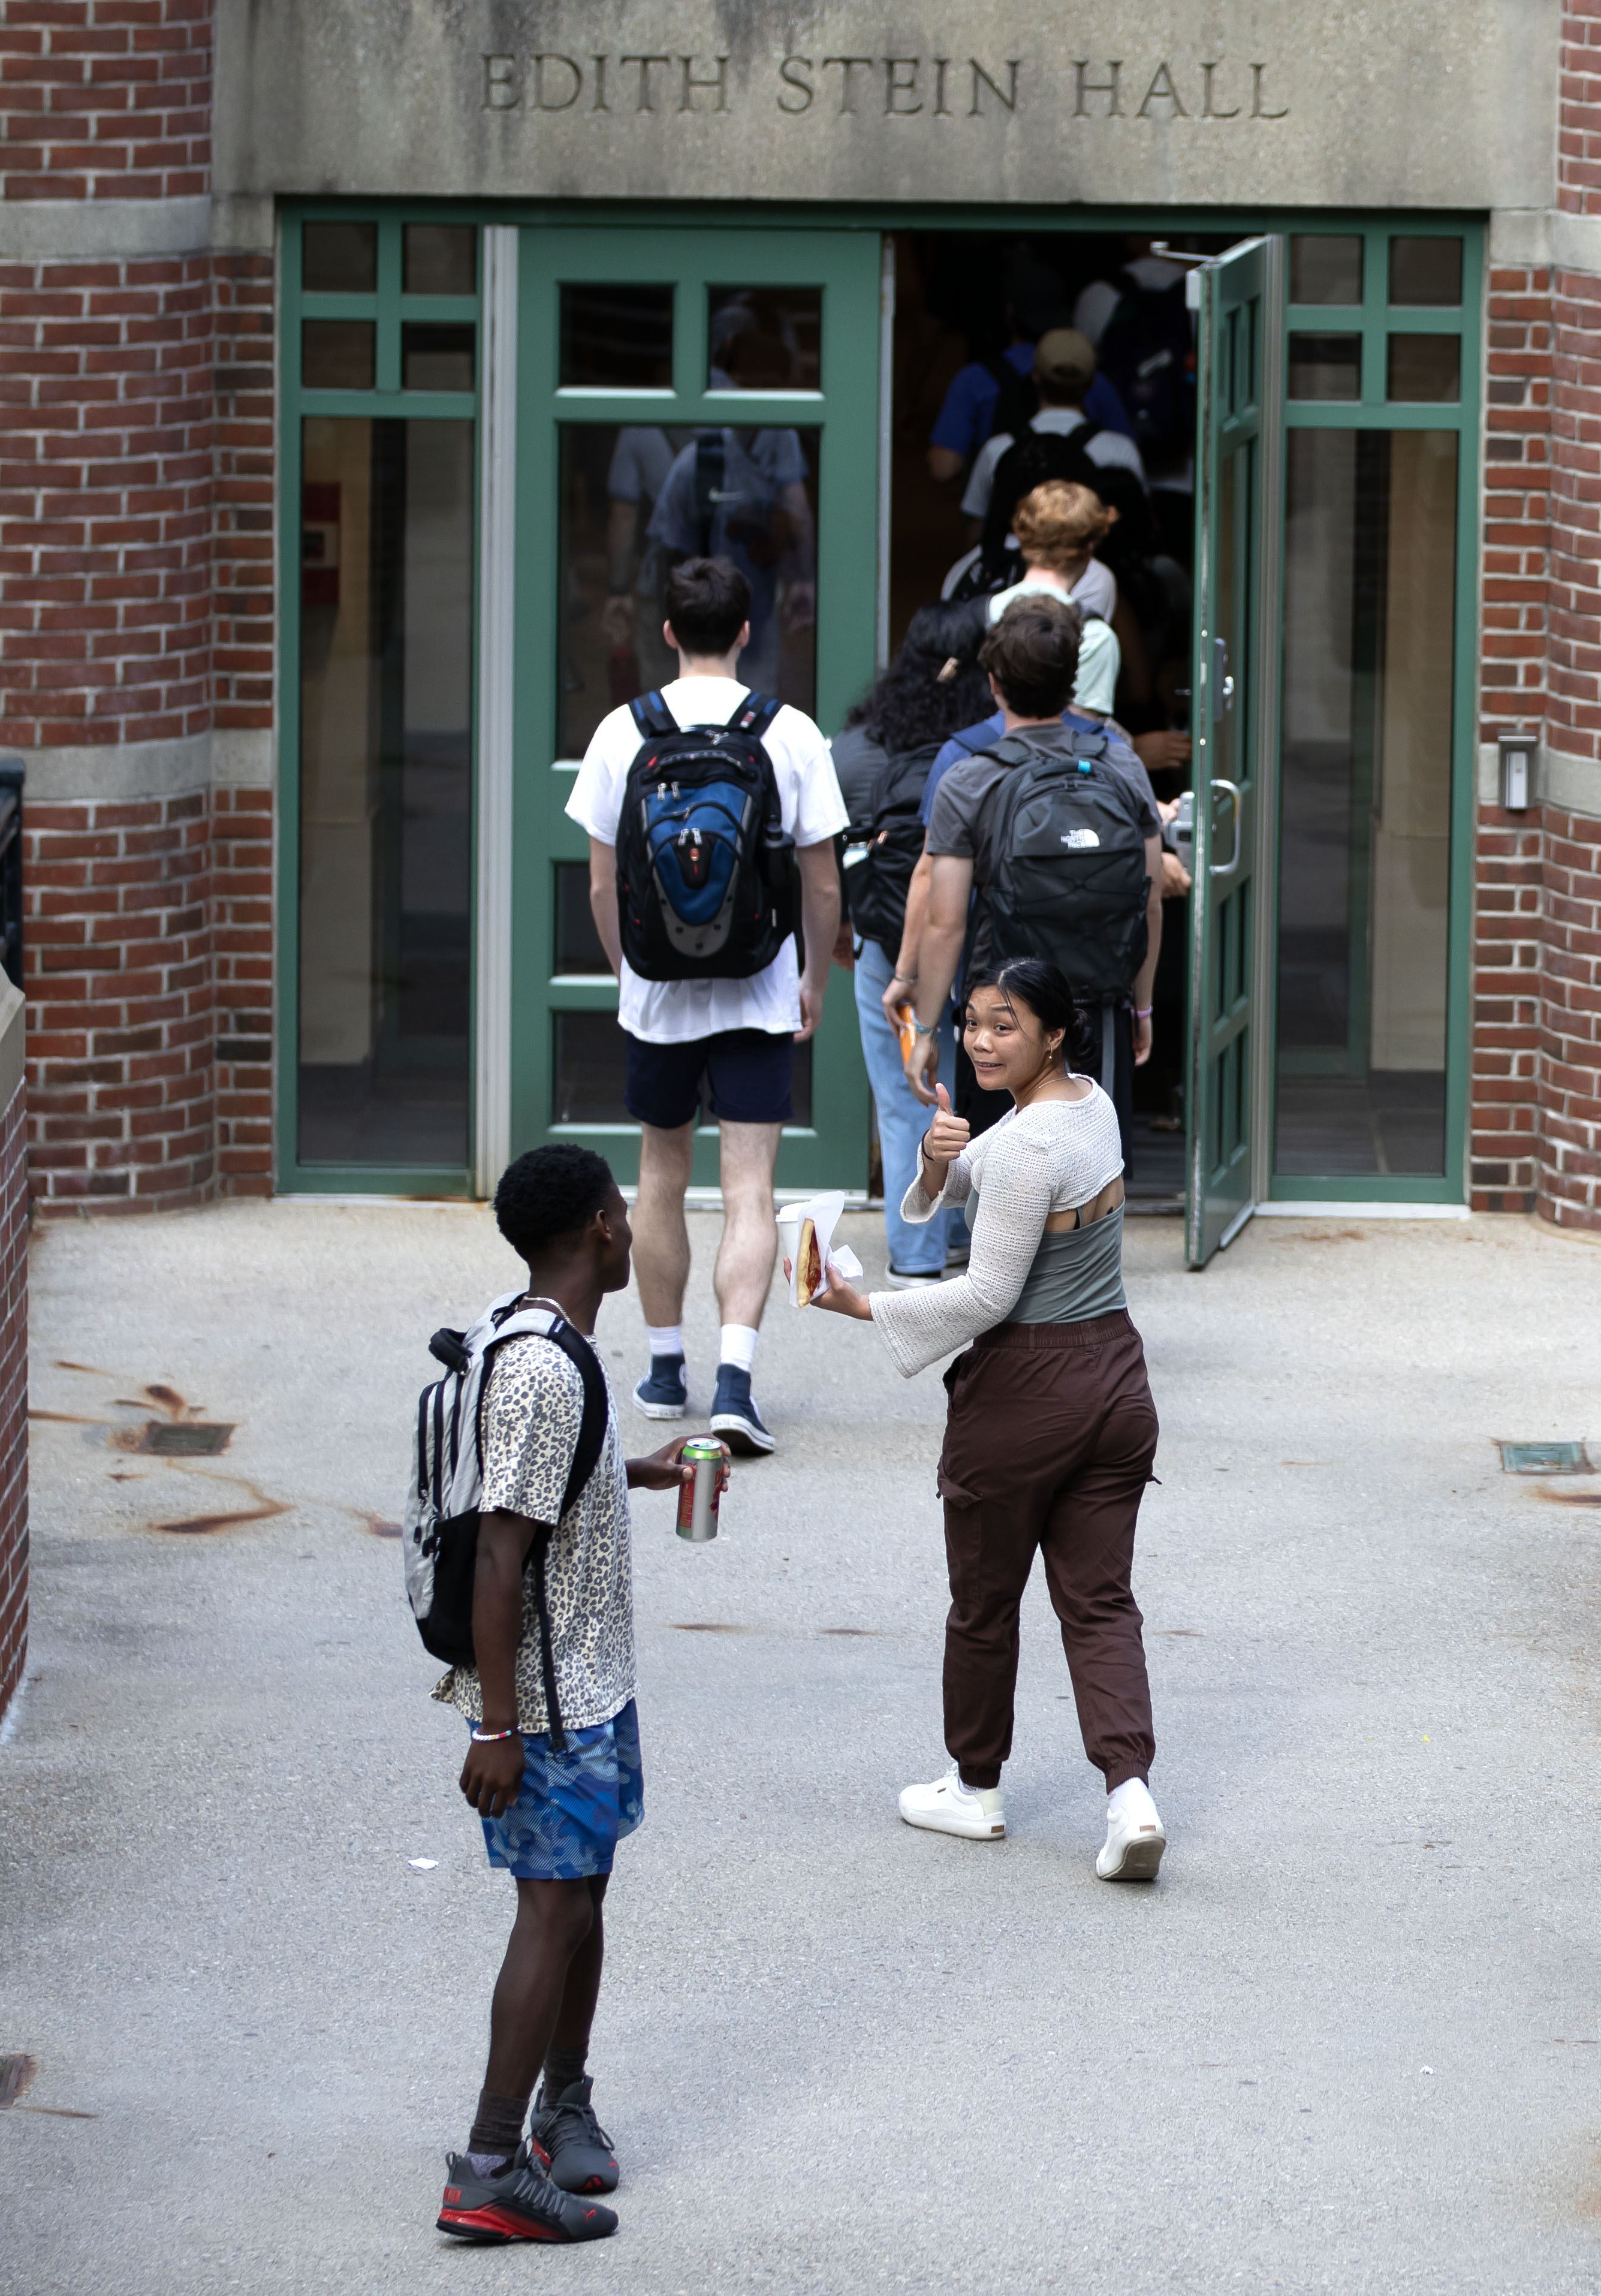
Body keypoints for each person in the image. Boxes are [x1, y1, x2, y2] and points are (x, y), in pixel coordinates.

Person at [807, 957, 1166, 1884]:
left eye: (1005, 1024)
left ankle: (975, 1787)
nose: (979, 1039)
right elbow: (981, 1185)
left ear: (1053, 1032)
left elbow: (987, 1292)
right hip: (1117, 1381)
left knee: (983, 1602)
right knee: (1098, 1601)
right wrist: (935, 1165)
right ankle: (1130, 1794)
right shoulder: (1090, 1106)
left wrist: (864, 1307)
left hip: (1026, 1392)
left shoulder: (1020, 1149)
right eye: (971, 1022)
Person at [437, 1144, 721, 2246]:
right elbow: (501, 1554)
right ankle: (490, 2166)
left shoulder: (552, 1342)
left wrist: (633, 1471)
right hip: (547, 1707)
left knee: (583, 1896)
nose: (630, 1226)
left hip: (588, 1687)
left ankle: (563, 2106)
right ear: (603, 1228)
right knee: (552, 1912)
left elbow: (544, 1492)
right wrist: (499, 1727)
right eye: (622, 1210)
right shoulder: (544, 1370)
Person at [568, 556, 847, 1455]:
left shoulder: (623, 730)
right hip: (758, 989)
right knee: (749, 1189)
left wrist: (629, 975)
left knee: (658, 1177)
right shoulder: (788, 731)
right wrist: (811, 980)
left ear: (665, 633)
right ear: (744, 630)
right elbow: (822, 884)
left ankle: (660, 1368)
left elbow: (604, 884)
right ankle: (734, 1378)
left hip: (658, 998)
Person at [885, 599, 1165, 1147]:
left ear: (993, 684)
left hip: (1001, 1015)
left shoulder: (968, 781)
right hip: (1098, 1007)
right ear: (1072, 682)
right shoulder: (1122, 764)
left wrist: (926, 1028)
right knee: (1090, 1179)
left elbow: (946, 923)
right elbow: (1148, 900)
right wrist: (1143, 1005)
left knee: (1000, 1178)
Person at [831, 604, 992, 1282]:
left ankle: (917, 1251)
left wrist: (843, 925)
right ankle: (959, 1233)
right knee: (974, 1087)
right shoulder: (984, 746)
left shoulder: (857, 747)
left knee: (908, 1098)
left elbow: (826, 849)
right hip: (977, 942)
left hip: (884, 943)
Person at [925, 324, 1133, 487]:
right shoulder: (1120, 453)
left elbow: (978, 529)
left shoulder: (997, 452)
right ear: (1092, 382)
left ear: (1035, 377)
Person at [981, 482, 1123, 716]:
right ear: (1089, 547)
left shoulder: (980, 614)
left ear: (1023, 536)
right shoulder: (1093, 637)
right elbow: (1076, 740)